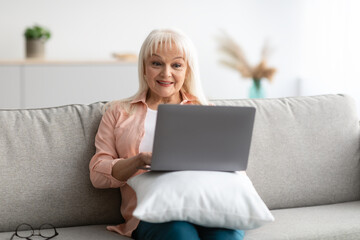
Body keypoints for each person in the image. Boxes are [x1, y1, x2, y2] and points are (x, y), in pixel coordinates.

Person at [89, 28, 245, 240]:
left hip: (205, 205)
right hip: (152, 213)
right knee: (179, 234)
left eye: (177, 65)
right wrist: (138, 161)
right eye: (157, 63)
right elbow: (97, 175)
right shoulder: (118, 112)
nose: (166, 73)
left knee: (226, 236)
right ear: (144, 67)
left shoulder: (205, 110)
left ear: (187, 70)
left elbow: (232, 168)